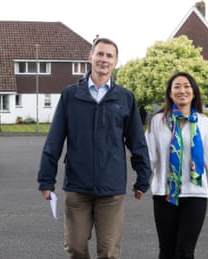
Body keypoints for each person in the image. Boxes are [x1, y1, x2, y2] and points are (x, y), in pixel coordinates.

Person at [37, 37, 151, 259]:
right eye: (100, 54)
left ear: (116, 62)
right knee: (76, 248)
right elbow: (54, 141)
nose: (104, 59)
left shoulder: (125, 98)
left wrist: (143, 177)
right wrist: (46, 180)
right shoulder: (71, 95)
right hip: (77, 187)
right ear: (90, 58)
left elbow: (137, 143)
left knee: (108, 252)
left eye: (109, 56)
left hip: (111, 190)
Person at [145, 71, 208, 259]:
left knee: (185, 251)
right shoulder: (157, 122)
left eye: (186, 86)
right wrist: (140, 183)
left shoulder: (203, 123)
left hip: (195, 194)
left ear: (193, 92)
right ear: (170, 93)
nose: (182, 90)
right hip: (165, 194)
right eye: (176, 86)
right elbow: (149, 158)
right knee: (167, 251)